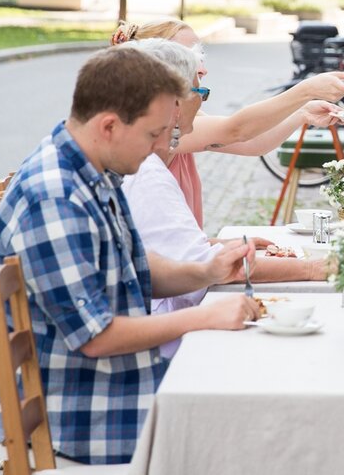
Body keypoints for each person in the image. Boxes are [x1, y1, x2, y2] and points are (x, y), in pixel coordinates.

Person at [0, 46, 261, 464]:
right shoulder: (55, 197)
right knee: (256, 433)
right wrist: (204, 316)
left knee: (254, 401)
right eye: (153, 134)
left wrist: (205, 271)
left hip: (117, 392)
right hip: (91, 421)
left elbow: (132, 269)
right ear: (110, 125)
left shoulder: (94, 170)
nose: (158, 149)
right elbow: (96, 338)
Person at [119, 39, 332, 358]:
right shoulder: (145, 171)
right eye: (200, 89)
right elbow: (239, 131)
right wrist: (315, 269)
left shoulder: (139, 160)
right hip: (161, 351)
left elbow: (157, 254)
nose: (204, 95)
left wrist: (217, 249)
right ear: (172, 102)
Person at [112, 19, 344, 227]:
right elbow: (236, 130)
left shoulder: (182, 120)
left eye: (201, 54)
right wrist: (306, 90)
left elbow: (253, 144)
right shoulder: (156, 128)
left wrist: (302, 114)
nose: (203, 68)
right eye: (191, 55)